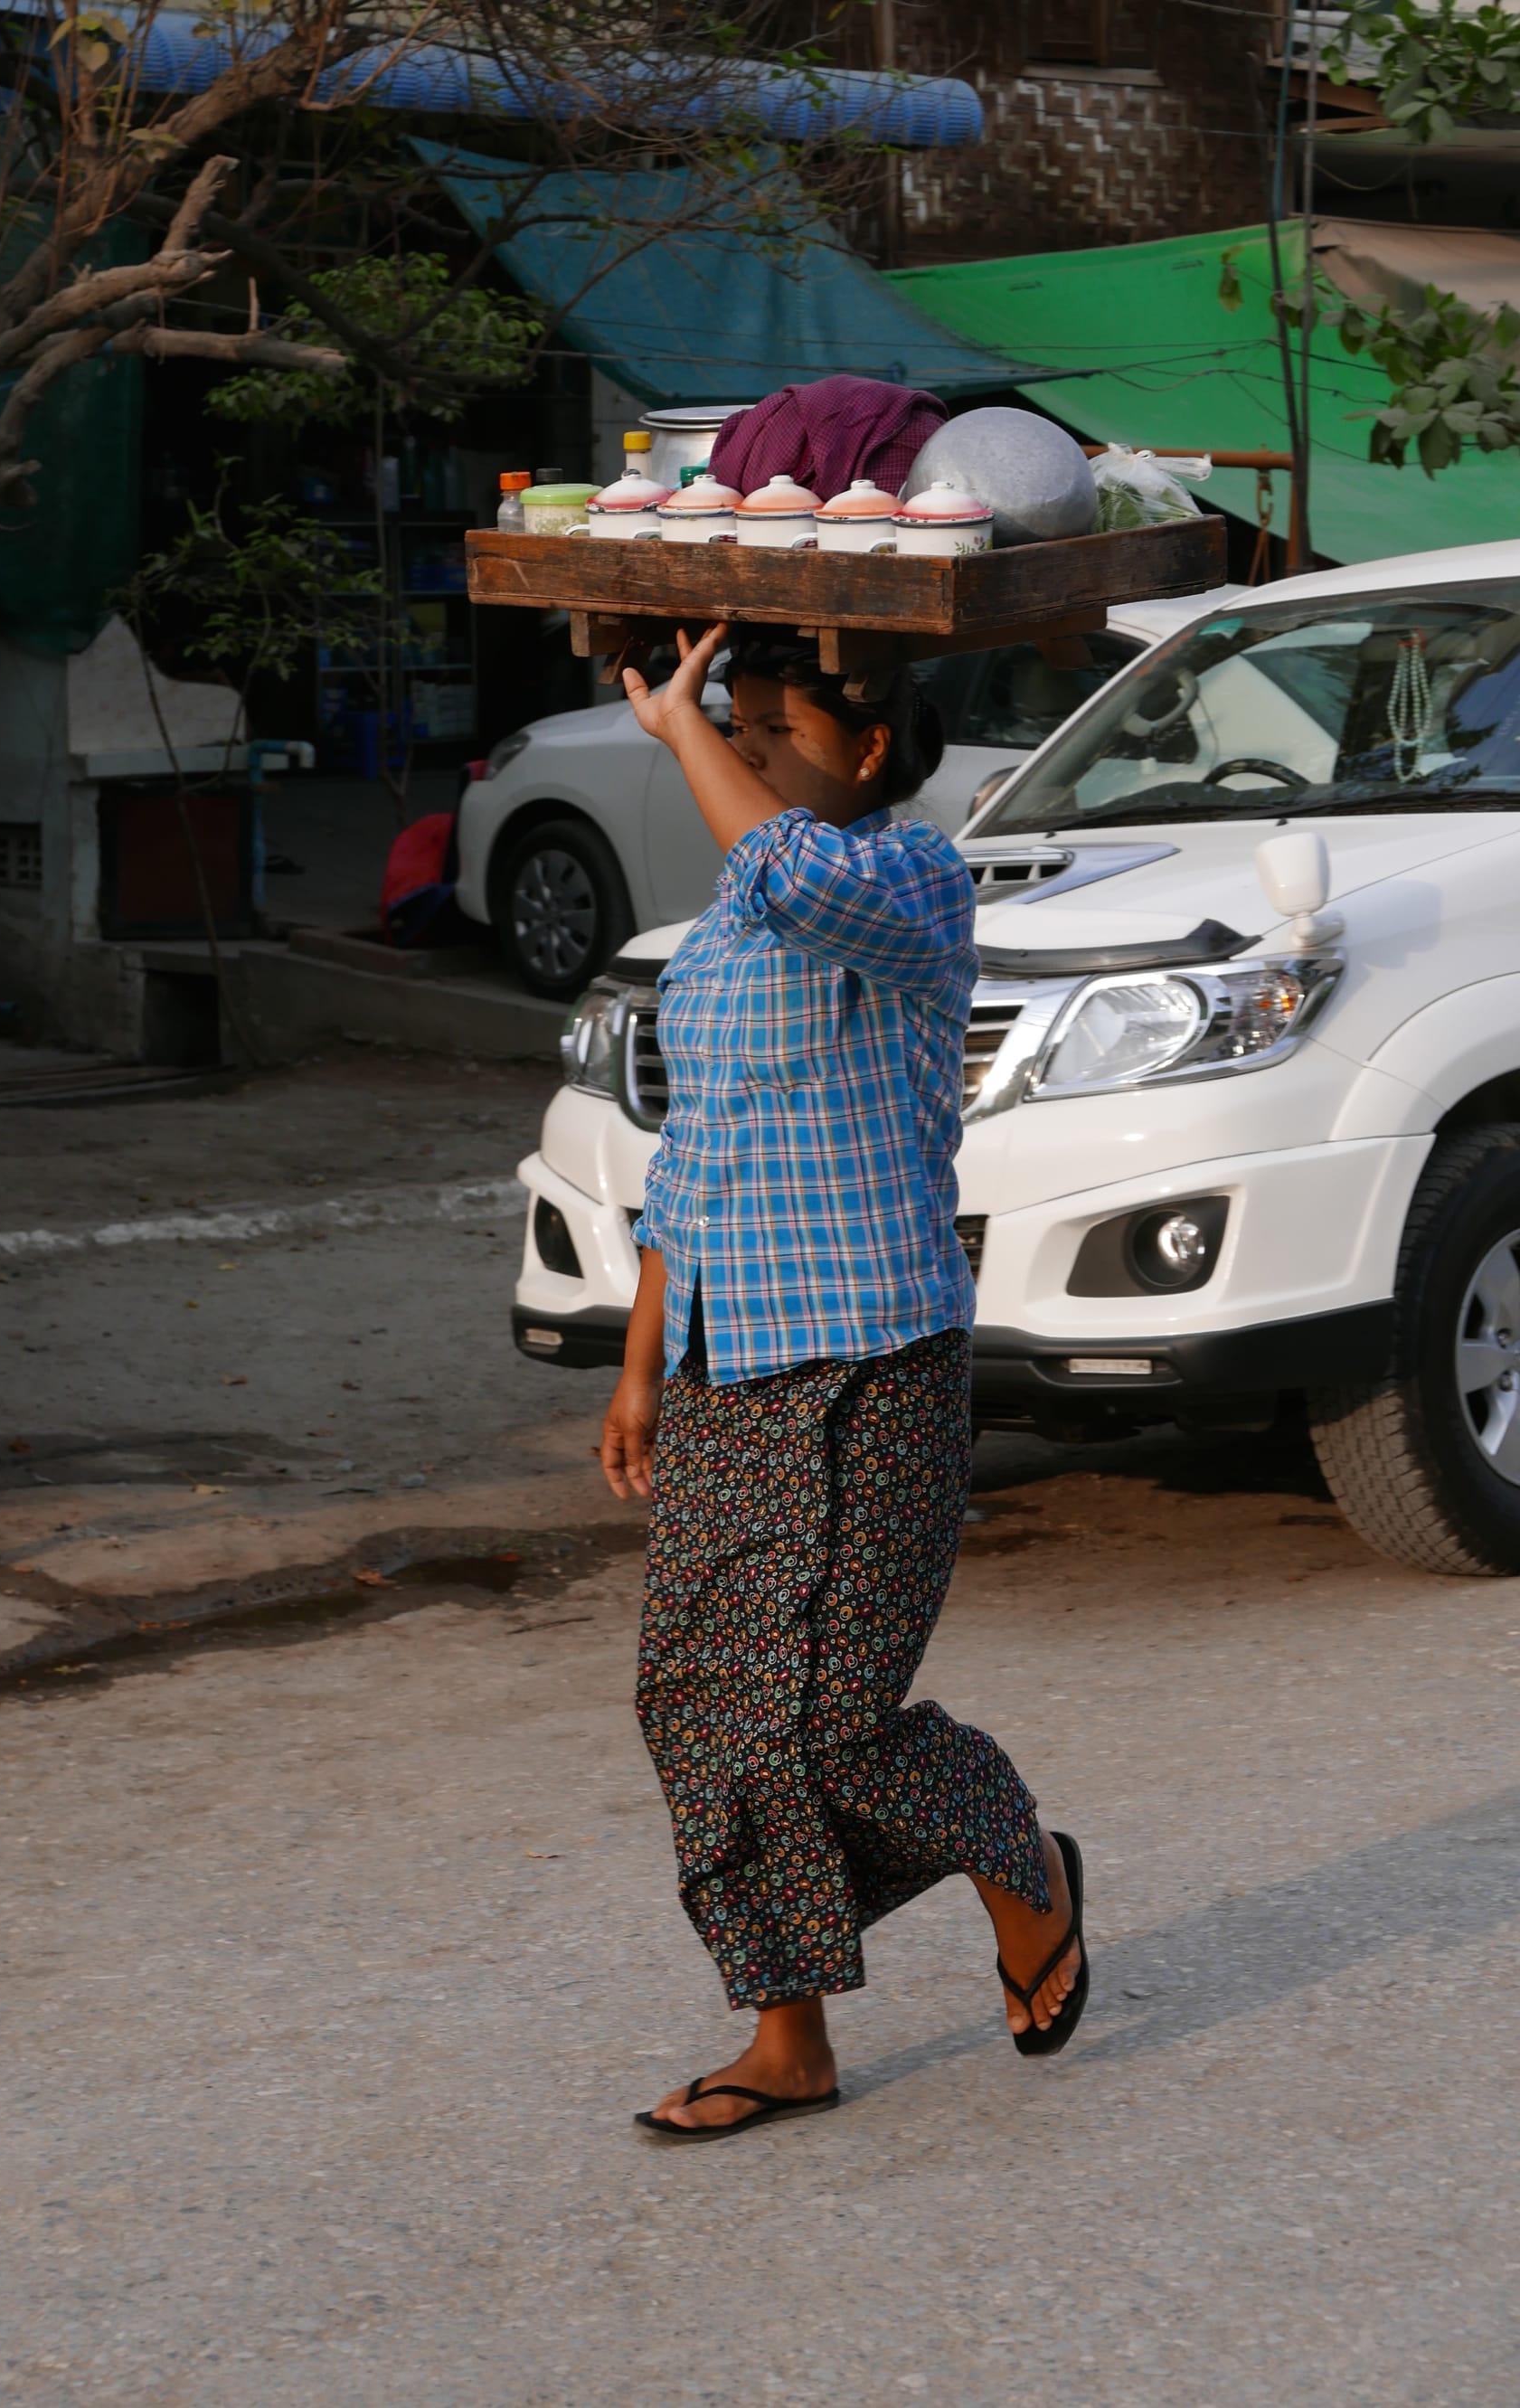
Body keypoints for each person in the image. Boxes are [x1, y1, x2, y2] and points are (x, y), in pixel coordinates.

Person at [602, 623, 1088, 2141]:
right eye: (725, 725)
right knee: (699, 1701)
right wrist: (637, 1365)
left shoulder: (909, 883)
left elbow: (796, 871)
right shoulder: (725, 936)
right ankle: (788, 2034)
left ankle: (1023, 1858)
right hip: (728, 1365)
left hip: (875, 1358)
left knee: (831, 1720)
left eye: (762, 727)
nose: (734, 747)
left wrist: (678, 732)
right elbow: (692, 1160)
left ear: (867, 749)